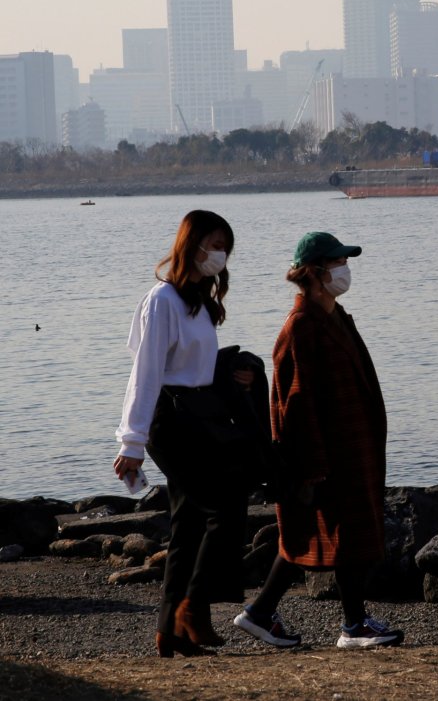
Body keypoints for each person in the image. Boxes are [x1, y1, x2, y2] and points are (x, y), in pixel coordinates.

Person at [233, 231, 402, 650]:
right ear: (314, 272)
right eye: (337, 263)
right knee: (338, 534)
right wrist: (310, 467)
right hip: (327, 453)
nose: (345, 270)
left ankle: (260, 613)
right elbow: (294, 404)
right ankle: (353, 625)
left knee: (317, 534)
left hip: (352, 445)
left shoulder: (334, 316)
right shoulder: (300, 327)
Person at [113, 209, 252, 658]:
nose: (220, 253)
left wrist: (235, 374)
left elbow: (197, 367)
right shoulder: (163, 300)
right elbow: (146, 372)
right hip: (169, 421)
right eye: (213, 243)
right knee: (223, 509)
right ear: (189, 244)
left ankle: (169, 630)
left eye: (223, 245)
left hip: (198, 415)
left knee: (189, 523)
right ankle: (193, 608)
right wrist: (131, 443)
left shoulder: (198, 302)